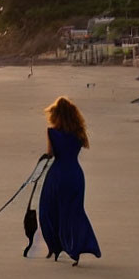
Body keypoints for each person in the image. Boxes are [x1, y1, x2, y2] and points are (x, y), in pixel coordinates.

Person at [38, 96, 101, 266]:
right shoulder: (78, 133)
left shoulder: (52, 132)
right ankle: (76, 247)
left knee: (48, 210)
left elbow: (50, 154)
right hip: (75, 175)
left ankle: (56, 247)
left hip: (58, 175)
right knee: (73, 212)